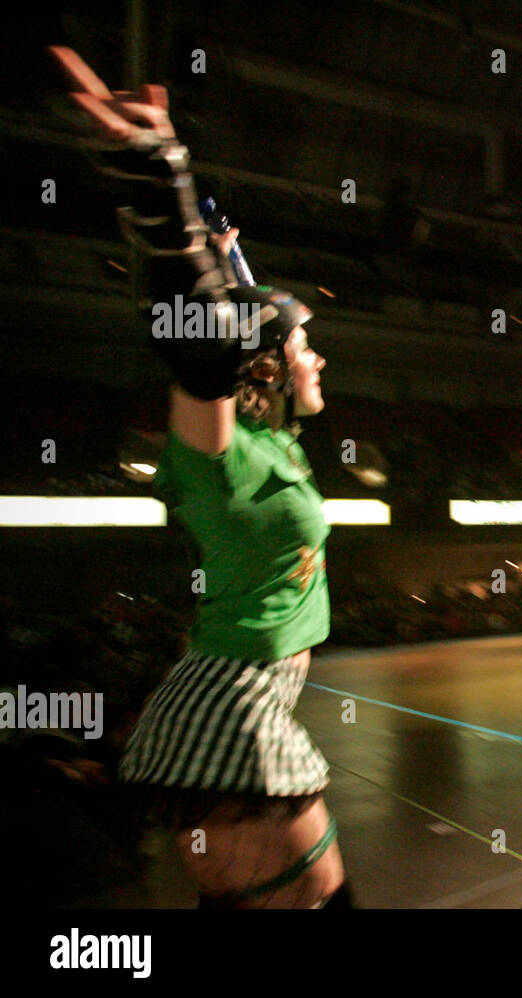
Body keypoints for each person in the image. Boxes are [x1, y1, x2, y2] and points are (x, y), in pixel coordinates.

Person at [50, 47, 351, 908]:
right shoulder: (217, 450)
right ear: (261, 371)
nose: (319, 356)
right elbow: (205, 343)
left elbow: (243, 316)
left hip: (246, 704)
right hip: (231, 712)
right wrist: (164, 191)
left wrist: (224, 253)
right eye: (305, 350)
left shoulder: (280, 445)